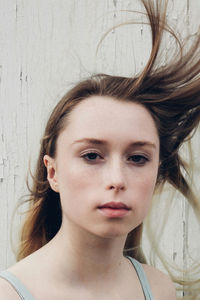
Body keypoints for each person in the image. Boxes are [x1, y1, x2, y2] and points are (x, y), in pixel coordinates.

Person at [0, 0, 200, 299]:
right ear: (52, 172)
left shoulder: (159, 290)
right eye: (92, 155)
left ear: (158, 170)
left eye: (137, 158)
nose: (117, 179)